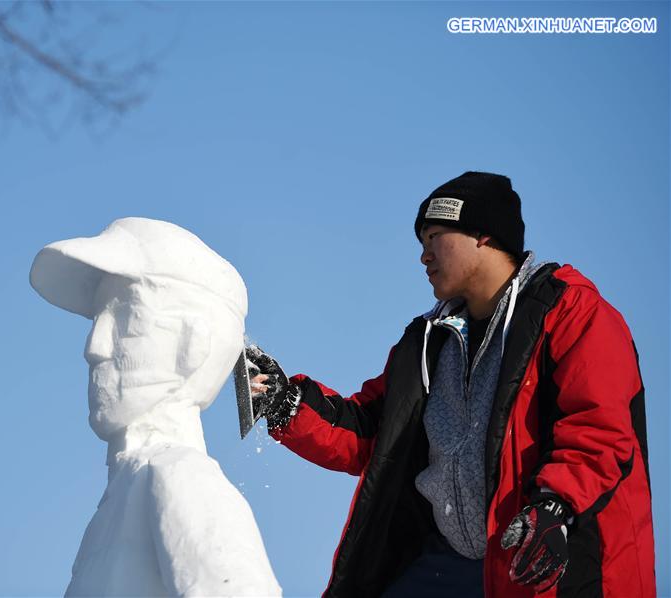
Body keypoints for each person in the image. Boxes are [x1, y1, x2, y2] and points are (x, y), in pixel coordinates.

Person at [248, 172, 655, 597]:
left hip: (536, 562)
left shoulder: (571, 313)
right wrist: (286, 403)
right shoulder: (426, 343)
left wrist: (556, 505)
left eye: (435, 237)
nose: (424, 256)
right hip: (444, 564)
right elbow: (372, 431)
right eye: (421, 243)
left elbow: (600, 426)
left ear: (483, 236)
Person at [31, 217, 281, 597]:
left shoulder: (180, 477)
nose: (93, 345)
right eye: (98, 320)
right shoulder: (114, 506)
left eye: (124, 320)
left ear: (191, 345)